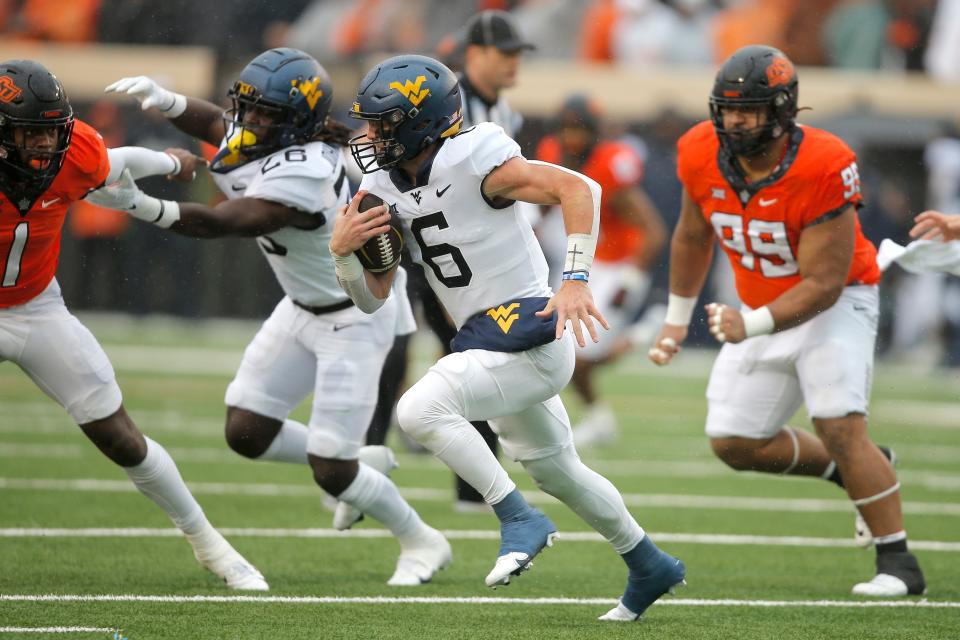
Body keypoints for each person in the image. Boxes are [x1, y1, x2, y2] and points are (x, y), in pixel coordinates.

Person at [330, 53, 685, 621]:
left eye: (384, 123)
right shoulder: (379, 186)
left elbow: (581, 190)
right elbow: (372, 299)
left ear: (421, 121)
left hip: (529, 330)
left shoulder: (476, 157)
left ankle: (517, 517)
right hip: (486, 342)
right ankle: (649, 564)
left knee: (419, 410)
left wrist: (573, 280)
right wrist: (344, 255)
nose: (371, 136)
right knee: (558, 470)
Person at [100, 47, 450, 586]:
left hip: (353, 315)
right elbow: (220, 123)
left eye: (266, 114)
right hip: (303, 306)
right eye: (249, 107)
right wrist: (167, 101)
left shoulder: (306, 171)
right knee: (246, 431)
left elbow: (226, 223)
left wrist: (139, 205)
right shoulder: (272, 138)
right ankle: (362, 461)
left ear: (297, 123)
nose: (249, 122)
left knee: (332, 470)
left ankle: (422, 539)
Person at [648, 45, 926, 597]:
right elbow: (692, 233)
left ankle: (899, 564)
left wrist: (748, 326)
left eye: (748, 111)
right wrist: (676, 320)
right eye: (727, 110)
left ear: (782, 111)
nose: (734, 122)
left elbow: (824, 282)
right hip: (762, 307)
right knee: (733, 440)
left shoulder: (825, 163)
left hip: (840, 301)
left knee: (840, 425)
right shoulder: (699, 149)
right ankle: (861, 467)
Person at [0, 59, 266, 590]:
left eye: (53, 132)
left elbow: (113, 159)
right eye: (32, 134)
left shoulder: (73, 151)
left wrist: (170, 162)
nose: (45, 147)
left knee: (120, 435)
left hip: (35, 306)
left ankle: (210, 545)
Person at [367, 9, 538, 513]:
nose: (513, 65)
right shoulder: (438, 100)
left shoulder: (501, 113)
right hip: (419, 242)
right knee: (394, 353)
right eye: (504, 54)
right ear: (475, 53)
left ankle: (471, 488)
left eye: (516, 55)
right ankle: (367, 463)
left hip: (464, 255)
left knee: (469, 359)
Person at [536, 95, 666, 446]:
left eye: (578, 131)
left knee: (578, 356)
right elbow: (542, 210)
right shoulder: (551, 153)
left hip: (615, 266)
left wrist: (631, 280)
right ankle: (600, 415)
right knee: (550, 348)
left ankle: (635, 339)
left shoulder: (611, 165)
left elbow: (653, 231)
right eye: (566, 130)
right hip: (576, 259)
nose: (571, 139)